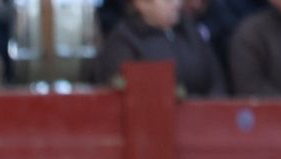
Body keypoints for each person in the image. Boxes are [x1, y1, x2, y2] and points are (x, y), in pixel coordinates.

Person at [96, 0, 228, 94]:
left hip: (203, 119)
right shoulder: (123, 42)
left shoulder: (190, 31)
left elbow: (216, 80)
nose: (177, 3)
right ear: (141, 4)